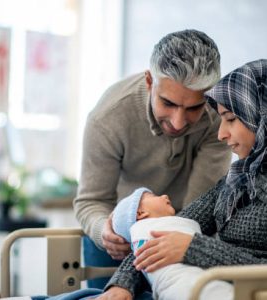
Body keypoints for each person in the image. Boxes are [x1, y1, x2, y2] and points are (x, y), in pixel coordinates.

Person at [73, 29, 231, 288]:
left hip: (182, 232)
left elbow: (199, 209)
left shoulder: (219, 118)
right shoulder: (108, 118)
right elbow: (91, 201)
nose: (179, 122)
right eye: (168, 103)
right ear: (149, 81)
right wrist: (106, 232)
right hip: (115, 243)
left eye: (193, 107)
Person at [100, 59, 267, 299]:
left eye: (230, 119)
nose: (221, 133)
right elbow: (165, 230)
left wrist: (194, 248)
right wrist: (122, 284)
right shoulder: (237, 181)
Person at [111, 187, 233, 300]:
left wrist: (193, 246)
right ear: (140, 213)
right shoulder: (226, 187)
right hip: (186, 285)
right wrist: (122, 283)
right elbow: (143, 255)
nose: (164, 196)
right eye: (154, 196)